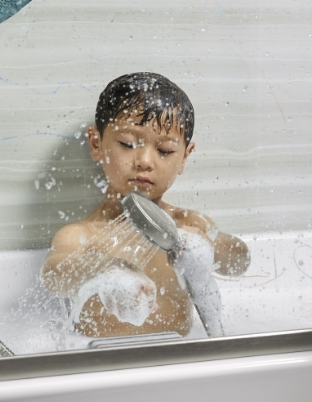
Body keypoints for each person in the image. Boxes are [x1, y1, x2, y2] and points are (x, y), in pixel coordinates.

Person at [41, 72, 250, 338]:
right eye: (128, 144)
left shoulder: (187, 225)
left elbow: (240, 260)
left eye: (164, 151)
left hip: (180, 359)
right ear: (96, 144)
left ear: (185, 157)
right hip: (100, 364)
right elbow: (53, 274)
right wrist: (105, 268)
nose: (145, 161)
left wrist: (207, 247)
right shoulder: (83, 235)